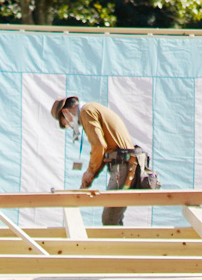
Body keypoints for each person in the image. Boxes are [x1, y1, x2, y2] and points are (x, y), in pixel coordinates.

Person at [50, 96, 139, 226]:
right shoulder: (93, 108)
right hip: (123, 164)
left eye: (66, 123)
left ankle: (118, 246)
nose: (70, 125)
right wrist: (92, 174)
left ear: (65, 112)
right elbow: (103, 148)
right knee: (113, 218)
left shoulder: (86, 111)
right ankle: (120, 245)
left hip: (122, 165)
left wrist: (90, 171)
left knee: (110, 218)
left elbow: (98, 146)